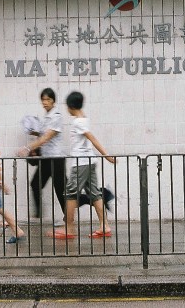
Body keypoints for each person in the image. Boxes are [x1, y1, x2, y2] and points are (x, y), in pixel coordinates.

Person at [49, 91, 115, 239]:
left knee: (70, 194)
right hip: (89, 161)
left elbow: (92, 138)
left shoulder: (78, 122)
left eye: (67, 106)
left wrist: (107, 156)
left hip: (81, 163)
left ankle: (69, 228)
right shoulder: (84, 119)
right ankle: (104, 226)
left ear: (71, 106)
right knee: (95, 193)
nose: (67, 110)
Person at [18, 88, 66, 226]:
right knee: (35, 184)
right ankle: (38, 215)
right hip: (46, 159)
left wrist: (28, 148)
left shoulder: (56, 117)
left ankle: (69, 218)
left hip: (56, 159)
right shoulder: (46, 118)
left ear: (53, 101)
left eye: (48, 99)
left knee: (61, 191)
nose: (45, 102)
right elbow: (42, 135)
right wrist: (33, 132)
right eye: (43, 99)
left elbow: (46, 137)